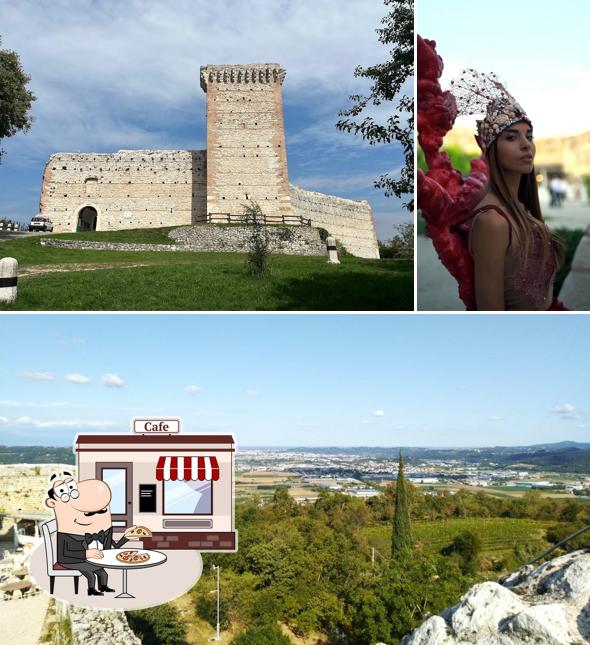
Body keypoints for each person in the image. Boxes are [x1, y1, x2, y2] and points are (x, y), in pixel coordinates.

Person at [450, 70, 566, 310]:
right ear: (491, 149)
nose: (526, 145)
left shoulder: (522, 208)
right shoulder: (493, 222)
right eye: (511, 138)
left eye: (529, 136)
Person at [45, 472, 136, 596]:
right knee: (90, 572)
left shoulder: (102, 532)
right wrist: (86, 553)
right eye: (89, 513)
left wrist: (126, 537)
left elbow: (114, 547)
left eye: (103, 511)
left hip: (90, 558)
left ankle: (103, 586)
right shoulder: (67, 534)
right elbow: (64, 554)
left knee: (103, 572)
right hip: (69, 560)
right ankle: (91, 590)